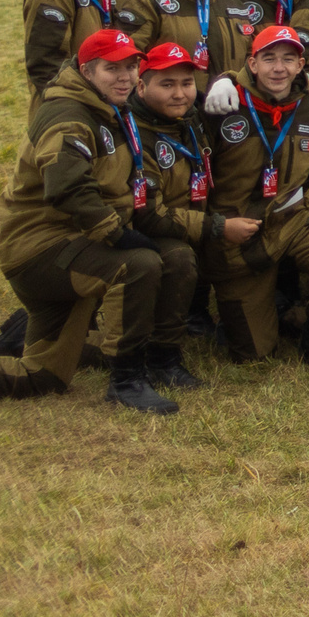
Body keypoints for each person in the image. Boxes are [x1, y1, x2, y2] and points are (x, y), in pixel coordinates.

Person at [0, 30, 186, 413]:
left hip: (74, 244)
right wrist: (117, 234)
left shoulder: (113, 107)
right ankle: (127, 382)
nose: (125, 77)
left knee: (43, 377)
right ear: (86, 70)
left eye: (131, 67)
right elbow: (67, 187)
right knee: (137, 266)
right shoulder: (68, 114)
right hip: (40, 249)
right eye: (111, 68)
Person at [197, 25, 309, 365]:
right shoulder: (224, 103)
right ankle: (257, 316)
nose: (279, 68)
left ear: (302, 66)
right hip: (239, 230)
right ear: (252, 64)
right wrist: (225, 78)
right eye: (269, 59)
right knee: (253, 355)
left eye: (289, 59)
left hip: (292, 217)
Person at [121, 40, 214, 392]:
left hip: (188, 218)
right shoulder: (132, 132)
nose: (180, 94)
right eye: (167, 84)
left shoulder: (192, 120)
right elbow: (146, 215)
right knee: (180, 257)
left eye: (187, 83)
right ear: (141, 87)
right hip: (141, 230)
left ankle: (199, 315)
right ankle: (164, 357)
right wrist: (215, 227)